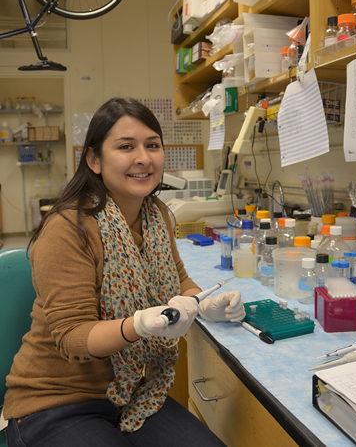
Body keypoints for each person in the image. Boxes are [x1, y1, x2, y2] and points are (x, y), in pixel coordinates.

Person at [4, 97, 245, 447]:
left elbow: (179, 282)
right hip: (55, 402)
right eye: (126, 147)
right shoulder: (67, 227)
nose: (143, 158)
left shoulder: (156, 215)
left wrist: (205, 304)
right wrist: (140, 324)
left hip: (134, 394)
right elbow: (72, 337)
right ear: (94, 160)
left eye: (152, 145)